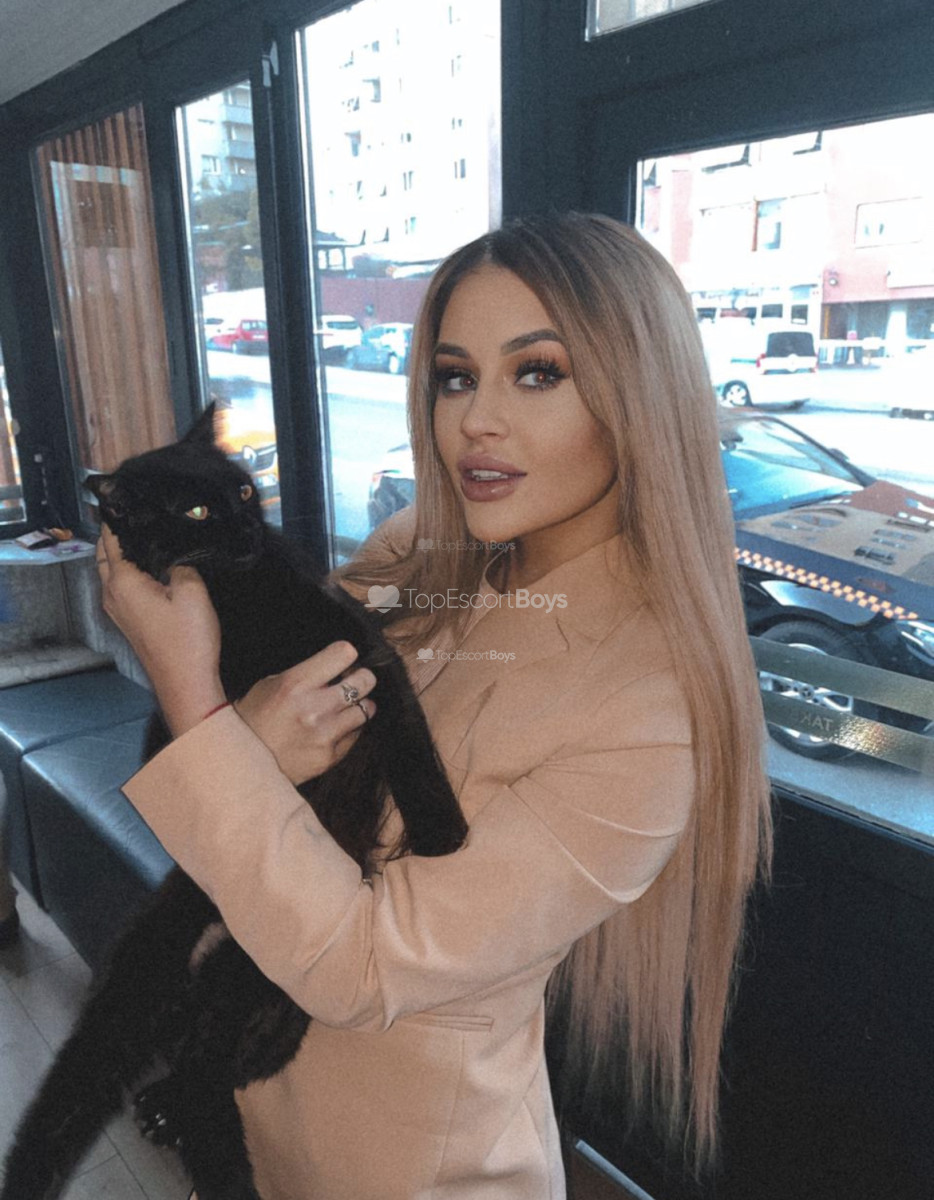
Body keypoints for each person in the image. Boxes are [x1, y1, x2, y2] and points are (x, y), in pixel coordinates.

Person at [96, 212, 772, 1200]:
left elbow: (364, 967)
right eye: (456, 377)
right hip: (249, 1114)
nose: (474, 422)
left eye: (537, 372)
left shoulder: (648, 712)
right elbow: (241, 796)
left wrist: (199, 705)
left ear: (640, 395)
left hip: (415, 1165)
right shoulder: (415, 554)